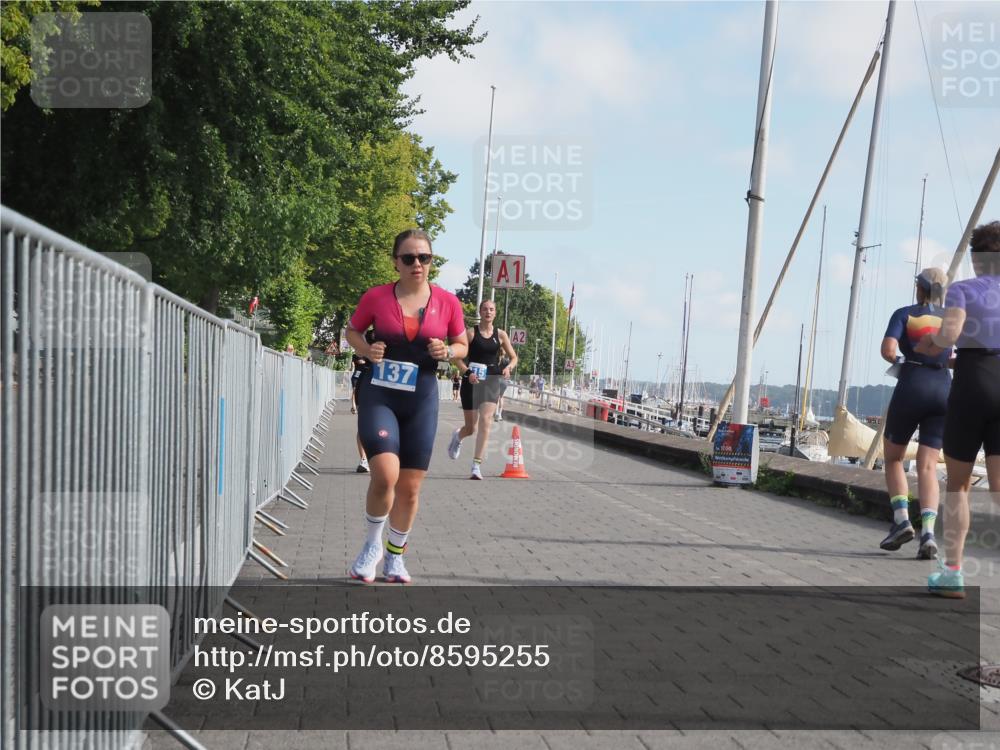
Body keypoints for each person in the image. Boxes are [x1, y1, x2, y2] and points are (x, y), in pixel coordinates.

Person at [345, 229, 468, 583]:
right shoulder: (376, 297)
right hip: (380, 394)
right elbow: (352, 332)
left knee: (411, 487)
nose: (417, 265)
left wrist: (449, 352)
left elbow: (461, 344)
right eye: (409, 258)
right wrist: (366, 350)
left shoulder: (448, 302)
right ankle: (372, 546)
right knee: (385, 474)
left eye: (424, 258)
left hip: (422, 398)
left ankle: (396, 558)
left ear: (431, 262)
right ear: (395, 262)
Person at [916, 221, 1000, 598]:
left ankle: (952, 574)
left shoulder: (963, 290)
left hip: (972, 386)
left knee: (959, 487)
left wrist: (930, 344)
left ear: (975, 259)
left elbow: (950, 335)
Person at [877, 268, 951, 559]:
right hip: (944, 388)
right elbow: (954, 357)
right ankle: (929, 533)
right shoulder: (951, 319)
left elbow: (888, 350)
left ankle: (902, 521)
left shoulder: (904, 314)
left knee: (894, 457)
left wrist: (902, 360)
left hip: (913, 384)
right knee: (929, 466)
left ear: (919, 288)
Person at [447, 299, 518, 479]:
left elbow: (514, 357)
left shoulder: (500, 335)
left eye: (491, 309)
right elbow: (456, 358)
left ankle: (476, 465)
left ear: (495, 313)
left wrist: (508, 367)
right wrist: (467, 371)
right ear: (480, 312)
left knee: (486, 421)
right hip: (471, 381)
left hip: (492, 380)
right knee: (471, 427)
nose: (488, 312)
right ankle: (458, 437)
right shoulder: (471, 333)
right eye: (485, 309)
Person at [351, 330, 377, 472]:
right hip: (365, 384)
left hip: (385, 386)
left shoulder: (392, 336)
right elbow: (358, 355)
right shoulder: (365, 336)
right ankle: (364, 460)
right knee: (364, 424)